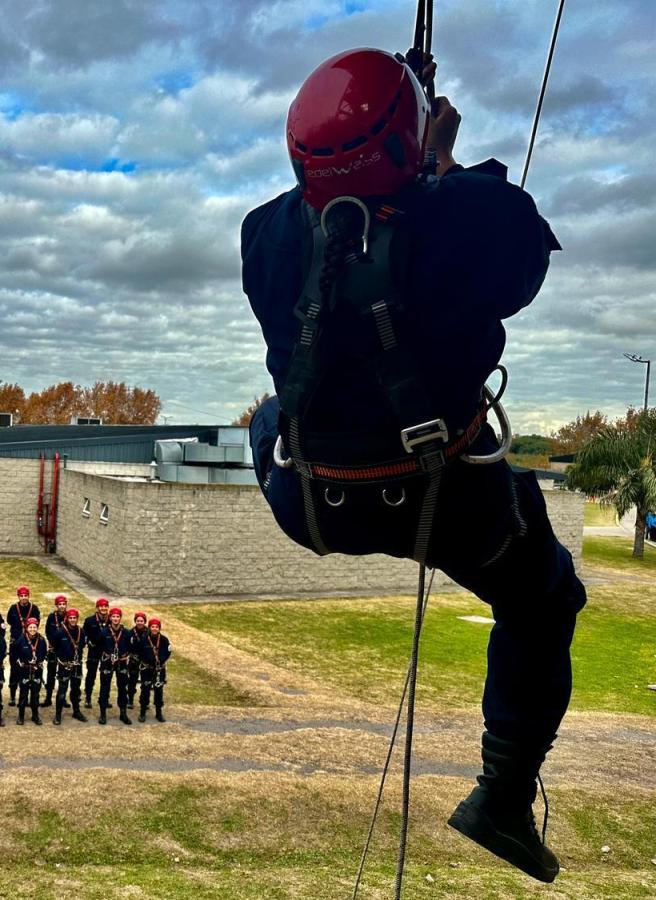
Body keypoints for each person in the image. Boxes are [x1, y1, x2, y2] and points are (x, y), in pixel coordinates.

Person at [242, 48, 586, 883]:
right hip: (451, 501)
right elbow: (509, 261)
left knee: (261, 419)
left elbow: (348, 243)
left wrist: (404, 152)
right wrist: (438, 161)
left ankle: (279, 446)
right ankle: (501, 796)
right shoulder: (470, 218)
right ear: (407, 145)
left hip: (313, 502)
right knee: (545, 598)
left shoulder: (263, 234)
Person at [97, 607, 134, 725]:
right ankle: (103, 714)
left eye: (117, 617)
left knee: (122, 688)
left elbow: (130, 647)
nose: (115, 619)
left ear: (120, 618)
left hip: (122, 662)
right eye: (113, 616)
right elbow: (99, 646)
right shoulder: (104, 632)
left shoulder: (126, 632)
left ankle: (123, 713)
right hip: (107, 662)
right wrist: (107, 655)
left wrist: (124, 655)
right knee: (104, 687)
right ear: (110, 618)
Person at [52, 607, 88, 725]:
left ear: (77, 619)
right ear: (67, 618)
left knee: (76, 690)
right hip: (64, 665)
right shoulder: (60, 632)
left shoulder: (81, 631)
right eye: (70, 618)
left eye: (75, 618)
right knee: (62, 690)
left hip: (77, 665)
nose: (73, 620)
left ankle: (76, 711)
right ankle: (58, 715)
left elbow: (82, 645)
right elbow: (55, 647)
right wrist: (62, 658)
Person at [6, 586, 41, 707]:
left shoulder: (34, 609)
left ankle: (25, 697)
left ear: (28, 596)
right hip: (16, 642)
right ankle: (12, 695)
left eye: (25, 595)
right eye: (21, 596)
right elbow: (10, 621)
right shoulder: (13, 608)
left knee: (28, 669)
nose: (23, 598)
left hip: (29, 644)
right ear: (18, 596)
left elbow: (36, 623)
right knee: (14, 669)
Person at [13, 617, 48, 725]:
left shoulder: (41, 640)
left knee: (35, 695)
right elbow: (15, 654)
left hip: (37, 670)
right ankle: (21, 716)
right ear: (26, 628)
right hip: (24, 670)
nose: (32, 629)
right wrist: (20, 664)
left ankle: (35, 715)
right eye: (30, 627)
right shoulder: (20, 640)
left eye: (34, 627)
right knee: (23, 694)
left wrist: (39, 661)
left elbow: (44, 653)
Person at [137, 619, 171, 724]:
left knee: (158, 690)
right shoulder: (144, 639)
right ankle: (142, 712)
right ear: (150, 627)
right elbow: (140, 652)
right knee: (145, 690)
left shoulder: (164, 640)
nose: (154, 629)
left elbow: (168, 652)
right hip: (147, 669)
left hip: (159, 670)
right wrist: (148, 660)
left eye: (156, 627)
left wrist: (160, 660)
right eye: (152, 627)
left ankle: (159, 712)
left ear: (159, 628)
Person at [82, 597, 110, 708]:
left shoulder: (111, 619)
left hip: (106, 652)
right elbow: (84, 635)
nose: (103, 608)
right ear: (97, 607)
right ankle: (88, 697)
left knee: (106, 676)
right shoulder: (90, 621)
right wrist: (89, 642)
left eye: (105, 606)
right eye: (101, 606)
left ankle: (104, 699)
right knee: (91, 675)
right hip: (93, 651)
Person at [43, 595, 68, 707]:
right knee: (51, 674)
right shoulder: (51, 617)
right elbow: (48, 631)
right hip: (53, 649)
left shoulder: (70, 616)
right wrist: (52, 643)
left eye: (64, 604)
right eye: (60, 604)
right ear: (56, 605)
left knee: (64, 674)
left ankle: (63, 698)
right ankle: (48, 698)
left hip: (64, 650)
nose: (62, 606)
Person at [126, 611, 149, 709]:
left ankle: (144, 701)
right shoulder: (130, 633)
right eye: (138, 621)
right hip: (134, 660)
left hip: (146, 660)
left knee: (146, 682)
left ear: (144, 622)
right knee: (132, 681)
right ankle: (130, 700)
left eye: (142, 621)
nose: (140, 622)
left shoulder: (149, 632)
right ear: (135, 621)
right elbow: (127, 646)